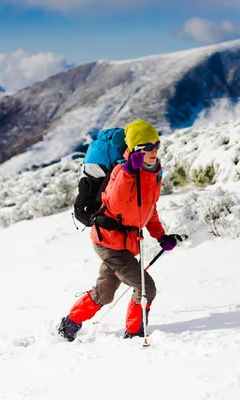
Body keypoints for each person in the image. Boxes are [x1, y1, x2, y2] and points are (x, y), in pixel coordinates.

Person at [58, 119, 179, 341]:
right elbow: (115, 204)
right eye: (146, 147)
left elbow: (149, 210)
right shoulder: (121, 172)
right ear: (133, 150)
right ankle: (134, 333)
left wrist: (161, 236)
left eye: (156, 145)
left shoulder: (154, 173)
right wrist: (128, 171)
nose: (153, 151)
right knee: (146, 288)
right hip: (109, 242)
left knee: (104, 293)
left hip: (124, 244)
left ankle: (69, 323)